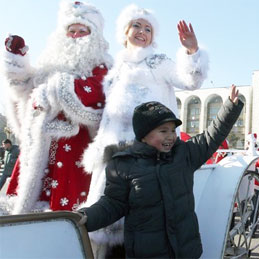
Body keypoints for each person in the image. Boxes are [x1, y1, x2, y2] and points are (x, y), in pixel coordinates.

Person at [79, 4, 208, 254]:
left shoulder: (157, 62)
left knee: (143, 223)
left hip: (150, 156)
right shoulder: (115, 71)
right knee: (107, 225)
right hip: (114, 158)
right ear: (125, 30)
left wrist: (191, 50)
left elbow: (190, 80)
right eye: (136, 25)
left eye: (148, 28)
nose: (142, 31)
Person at [78, 85, 243, 258]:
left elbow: (211, 137)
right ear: (143, 135)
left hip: (185, 250)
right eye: (163, 131)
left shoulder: (184, 155)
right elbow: (112, 204)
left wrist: (230, 108)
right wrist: (85, 218)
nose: (170, 136)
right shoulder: (124, 165)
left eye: (172, 130)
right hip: (148, 253)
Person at [0, 1, 111, 214]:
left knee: (70, 208)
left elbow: (98, 90)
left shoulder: (102, 64)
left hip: (76, 146)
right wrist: (16, 61)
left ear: (93, 36)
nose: (76, 35)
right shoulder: (49, 62)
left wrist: (56, 88)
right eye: (71, 31)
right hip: (40, 145)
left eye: (82, 31)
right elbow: (25, 89)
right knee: (28, 200)